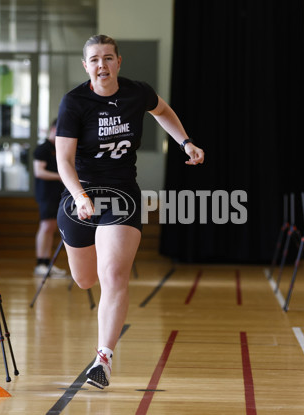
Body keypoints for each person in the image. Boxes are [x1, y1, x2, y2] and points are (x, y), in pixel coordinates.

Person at [54, 34, 205, 389]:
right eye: (94, 59)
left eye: (108, 58)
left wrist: (185, 141)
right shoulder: (74, 102)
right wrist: (78, 195)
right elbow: (63, 159)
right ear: (86, 65)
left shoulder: (137, 92)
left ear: (118, 62)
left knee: (113, 274)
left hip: (122, 193)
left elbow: (163, 111)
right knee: (85, 279)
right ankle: (102, 351)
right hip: (81, 194)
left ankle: (103, 359)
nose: (101, 65)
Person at [32, 119, 68, 278]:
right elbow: (39, 172)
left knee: (52, 228)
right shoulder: (43, 149)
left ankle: (47, 263)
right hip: (45, 194)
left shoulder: (60, 148)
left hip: (58, 194)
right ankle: (40, 263)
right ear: (53, 129)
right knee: (46, 226)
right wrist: (60, 176)